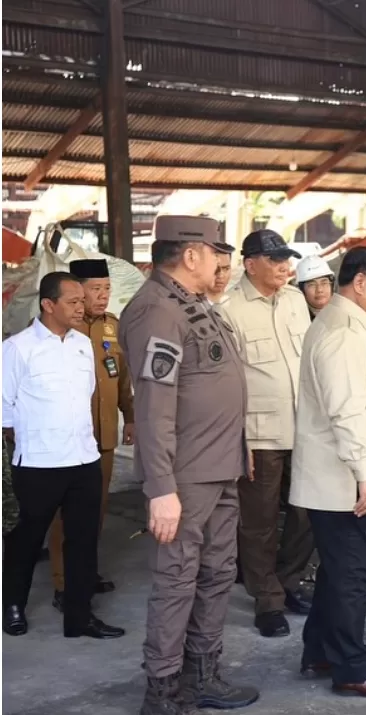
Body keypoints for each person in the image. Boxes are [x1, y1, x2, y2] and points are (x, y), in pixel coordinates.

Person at [119, 215, 259, 715]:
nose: (221, 261)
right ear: (192, 254)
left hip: (219, 469)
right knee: (177, 581)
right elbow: (155, 408)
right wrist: (161, 488)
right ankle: (162, 691)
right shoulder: (157, 311)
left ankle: (203, 674)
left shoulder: (195, 305)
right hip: (185, 477)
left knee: (218, 573)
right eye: (215, 251)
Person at [290, 247, 366, 698]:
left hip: (341, 480)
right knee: (352, 577)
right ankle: (353, 668)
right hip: (348, 484)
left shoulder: (353, 327)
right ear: (360, 282)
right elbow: (346, 413)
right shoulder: (342, 334)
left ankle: (320, 651)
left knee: (337, 572)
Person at [1, 271, 125, 640]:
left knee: (84, 541)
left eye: (81, 301)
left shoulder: (83, 345)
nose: (81, 307)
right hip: (39, 463)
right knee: (26, 539)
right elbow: (4, 409)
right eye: (73, 301)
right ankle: (13, 605)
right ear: (48, 305)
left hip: (83, 459)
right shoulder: (17, 349)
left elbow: (87, 391)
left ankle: (79, 617)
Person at [218, 229, 314, 638]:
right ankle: (267, 601)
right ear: (250, 263)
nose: (284, 267)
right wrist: (237, 440)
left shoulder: (295, 300)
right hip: (258, 435)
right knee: (258, 523)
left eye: (286, 259)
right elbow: (227, 383)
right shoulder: (229, 310)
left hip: (305, 429)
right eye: (275, 260)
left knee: (308, 512)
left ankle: (287, 583)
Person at [48, 258, 135, 612]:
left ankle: (86, 572)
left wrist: (130, 416)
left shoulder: (112, 327)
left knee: (95, 511)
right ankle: (63, 582)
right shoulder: (59, 328)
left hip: (104, 437)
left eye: (107, 289)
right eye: (95, 289)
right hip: (68, 439)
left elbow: (124, 376)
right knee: (64, 515)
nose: (102, 296)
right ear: (76, 289)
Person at [295, 254, 335, 320]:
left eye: (324, 283)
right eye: (312, 285)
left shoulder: (345, 311)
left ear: (331, 285)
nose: (319, 290)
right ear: (301, 290)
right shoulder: (297, 319)